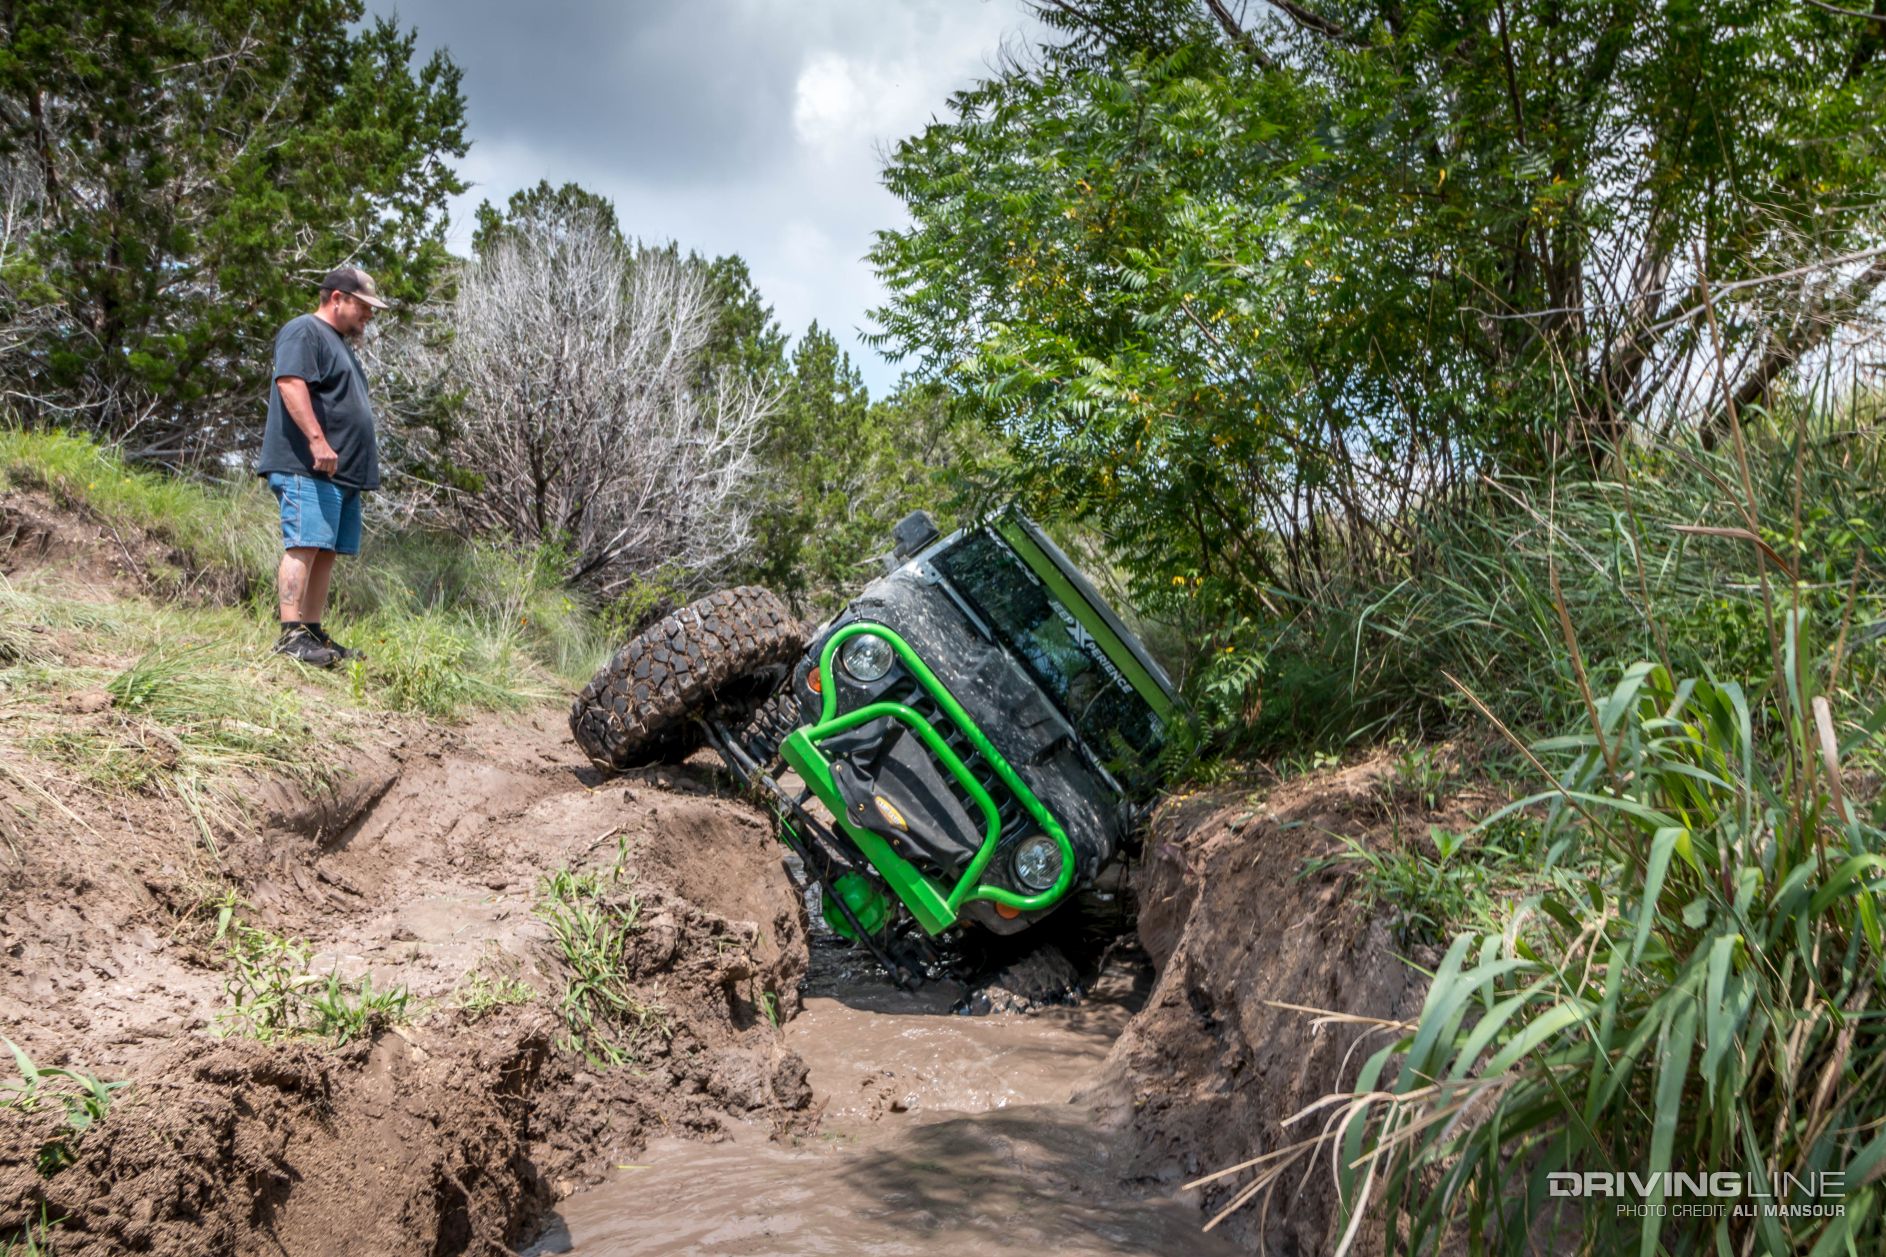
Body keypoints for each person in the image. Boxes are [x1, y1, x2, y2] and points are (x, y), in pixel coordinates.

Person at [255, 265, 389, 667]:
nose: (369, 316)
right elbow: (290, 383)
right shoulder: (303, 331)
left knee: (325, 550)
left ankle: (311, 632)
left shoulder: (340, 345)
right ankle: (289, 635)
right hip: (306, 465)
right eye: (364, 307)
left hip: (340, 473)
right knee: (305, 543)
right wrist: (317, 441)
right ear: (337, 298)